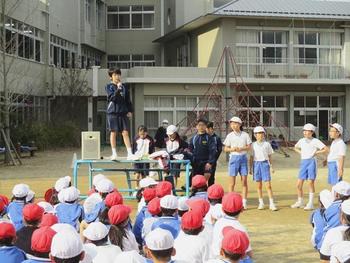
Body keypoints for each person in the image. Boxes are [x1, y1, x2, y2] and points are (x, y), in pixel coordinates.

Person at [291, 123, 328, 210]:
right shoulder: (301, 140)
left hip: (312, 162)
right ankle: (300, 201)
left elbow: (326, 149)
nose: (305, 133)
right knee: (299, 184)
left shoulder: (315, 141)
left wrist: (315, 153)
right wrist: (301, 153)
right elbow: (295, 147)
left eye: (307, 131)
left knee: (310, 183)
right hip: (303, 162)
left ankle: (310, 203)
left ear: (312, 132)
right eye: (304, 131)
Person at [211, 192, 253, 261]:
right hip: (232, 259)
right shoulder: (241, 229)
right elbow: (248, 251)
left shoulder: (218, 223)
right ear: (242, 209)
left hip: (216, 257)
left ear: (222, 209)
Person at [105, 68, 134, 160]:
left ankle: (130, 154)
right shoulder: (109, 86)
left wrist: (130, 110)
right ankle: (114, 154)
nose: (117, 76)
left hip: (123, 113)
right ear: (111, 77)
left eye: (118, 74)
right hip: (113, 113)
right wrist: (118, 89)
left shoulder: (125, 87)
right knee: (113, 132)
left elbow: (128, 100)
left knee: (125, 132)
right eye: (115, 75)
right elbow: (112, 98)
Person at [223, 116, 251, 209]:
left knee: (244, 181)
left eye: (235, 123)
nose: (233, 125)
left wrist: (241, 148)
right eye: (232, 123)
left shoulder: (245, 135)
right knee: (232, 183)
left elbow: (249, 146)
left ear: (240, 124)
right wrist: (232, 149)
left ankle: (244, 202)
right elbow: (225, 148)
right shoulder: (229, 136)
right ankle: (231, 201)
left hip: (243, 158)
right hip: (233, 158)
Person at [249, 126, 277, 211]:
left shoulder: (267, 144)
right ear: (255, 135)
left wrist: (271, 167)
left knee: (268, 185)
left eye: (262, 133)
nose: (260, 135)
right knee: (259, 185)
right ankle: (261, 202)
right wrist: (250, 168)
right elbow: (251, 157)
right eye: (258, 133)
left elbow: (270, 156)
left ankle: (271, 203)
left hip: (265, 164)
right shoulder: (252, 145)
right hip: (256, 164)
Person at [188, 119, 217, 186]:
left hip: (206, 163)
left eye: (203, 125)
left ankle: (205, 193)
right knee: (195, 181)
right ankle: (194, 193)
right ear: (196, 126)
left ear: (205, 126)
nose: (201, 127)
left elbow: (212, 151)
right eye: (199, 125)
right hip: (196, 163)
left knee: (204, 180)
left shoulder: (209, 138)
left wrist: (210, 163)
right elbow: (190, 150)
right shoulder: (193, 138)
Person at [206, 121, 222, 186]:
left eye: (206, 129)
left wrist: (214, 159)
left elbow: (219, 150)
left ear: (211, 129)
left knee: (211, 177)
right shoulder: (204, 137)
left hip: (212, 161)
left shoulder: (216, 138)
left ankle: (210, 192)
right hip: (203, 160)